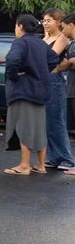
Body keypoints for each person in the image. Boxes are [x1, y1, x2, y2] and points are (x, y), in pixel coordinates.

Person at [3, 14, 53, 176]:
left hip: (23, 90)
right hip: (41, 90)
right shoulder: (41, 43)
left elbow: (12, 61)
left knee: (24, 126)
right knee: (39, 127)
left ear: (20, 26)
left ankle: (24, 165)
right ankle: (40, 165)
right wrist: (41, 70)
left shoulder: (21, 42)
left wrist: (14, 75)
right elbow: (54, 59)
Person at [41, 8, 75, 171]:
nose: (45, 24)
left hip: (56, 80)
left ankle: (66, 157)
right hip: (44, 80)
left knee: (56, 119)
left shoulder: (62, 38)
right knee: (47, 121)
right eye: (44, 21)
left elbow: (48, 57)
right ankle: (53, 157)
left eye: (49, 20)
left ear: (58, 22)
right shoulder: (46, 37)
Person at [51, 12, 75, 176]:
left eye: (64, 26)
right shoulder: (72, 43)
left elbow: (73, 62)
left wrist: (60, 67)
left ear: (72, 24)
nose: (62, 29)